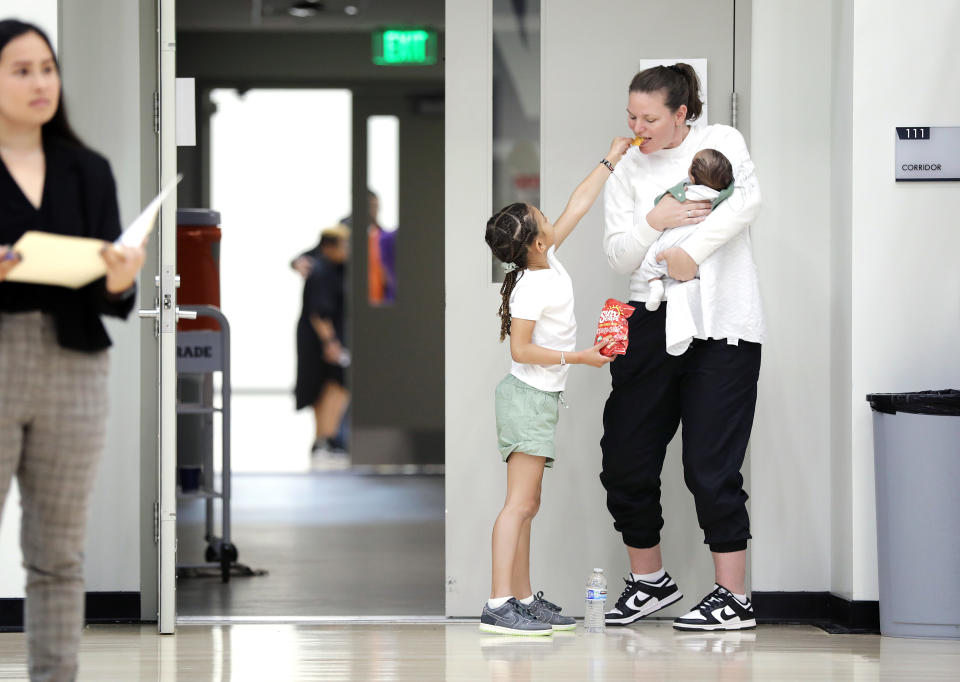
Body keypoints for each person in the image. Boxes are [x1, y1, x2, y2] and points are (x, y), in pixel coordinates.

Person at [0, 19, 146, 681]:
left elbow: (111, 291)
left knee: (58, 552)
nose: (40, 83)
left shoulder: (88, 169)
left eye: (47, 68)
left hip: (75, 362)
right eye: (21, 70)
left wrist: (122, 276)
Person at [600, 63, 764, 631]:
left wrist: (690, 253)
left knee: (710, 466)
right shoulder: (625, 169)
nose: (638, 126)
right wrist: (655, 220)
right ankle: (651, 582)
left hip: (722, 325)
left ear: (682, 114)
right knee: (624, 458)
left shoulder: (721, 142)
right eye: (631, 116)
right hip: (648, 321)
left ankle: (732, 597)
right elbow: (620, 254)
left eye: (650, 117)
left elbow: (745, 203)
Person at [479, 136, 630, 636]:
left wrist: (612, 157)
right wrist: (579, 356)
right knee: (518, 505)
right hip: (527, 398)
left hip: (538, 399)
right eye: (540, 215)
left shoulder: (546, 258)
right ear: (537, 241)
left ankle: (522, 598)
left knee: (529, 504)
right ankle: (499, 603)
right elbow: (520, 350)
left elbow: (578, 204)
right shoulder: (532, 283)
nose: (549, 214)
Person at [640, 148, 735, 312]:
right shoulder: (720, 196)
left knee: (650, 261)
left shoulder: (683, 191)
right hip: (691, 247)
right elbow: (730, 189)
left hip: (670, 242)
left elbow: (659, 203)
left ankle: (656, 286)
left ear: (692, 176)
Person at [294, 224, 350, 459]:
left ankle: (324, 438)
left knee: (330, 386)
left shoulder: (331, 269)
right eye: (344, 245)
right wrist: (331, 343)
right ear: (328, 247)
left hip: (324, 338)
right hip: (322, 339)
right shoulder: (322, 272)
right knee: (334, 385)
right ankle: (324, 438)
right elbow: (319, 313)